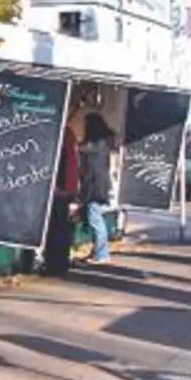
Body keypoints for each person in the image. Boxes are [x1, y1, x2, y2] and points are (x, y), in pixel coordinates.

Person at [43, 116, 82, 275]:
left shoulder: (59, 135)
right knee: (63, 229)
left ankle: (54, 264)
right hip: (69, 189)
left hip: (60, 189)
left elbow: (62, 163)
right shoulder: (69, 135)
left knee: (55, 229)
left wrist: (57, 186)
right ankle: (61, 263)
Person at [78, 111, 116, 265]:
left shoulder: (94, 146)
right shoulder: (104, 143)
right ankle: (98, 252)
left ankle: (102, 254)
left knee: (95, 220)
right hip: (100, 186)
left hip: (95, 187)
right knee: (95, 219)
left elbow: (89, 167)